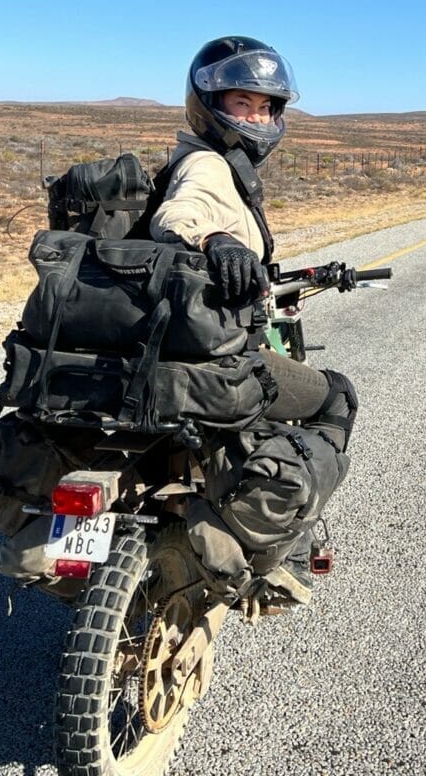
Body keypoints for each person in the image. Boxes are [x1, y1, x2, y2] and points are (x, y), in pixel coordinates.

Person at [150, 36, 357, 603]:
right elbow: (179, 216)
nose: (258, 117)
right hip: (210, 357)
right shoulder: (207, 167)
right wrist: (216, 239)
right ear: (208, 100)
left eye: (267, 106)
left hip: (161, 345)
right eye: (243, 102)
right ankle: (275, 557)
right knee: (335, 397)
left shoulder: (180, 159)